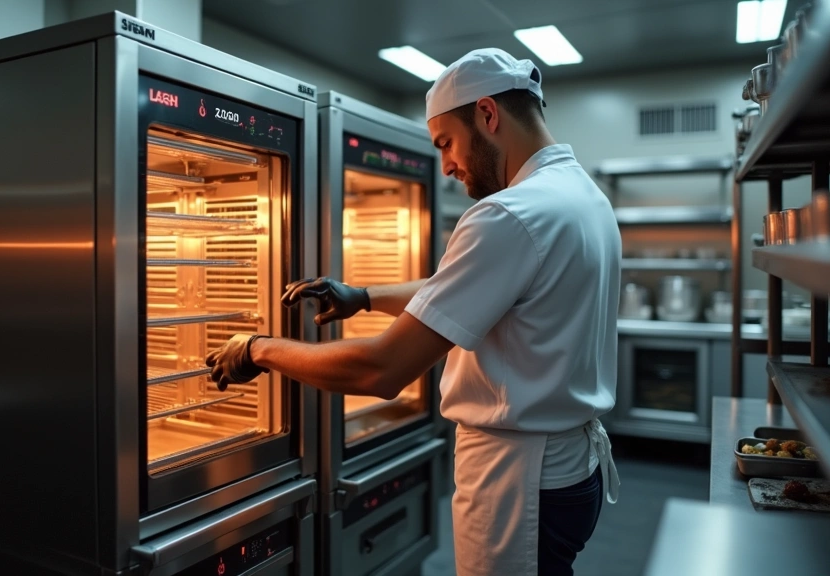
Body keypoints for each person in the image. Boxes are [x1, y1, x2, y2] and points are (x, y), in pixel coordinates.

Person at [206, 48, 621, 576]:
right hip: (568, 469)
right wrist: (363, 296)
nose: (446, 165)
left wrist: (258, 349)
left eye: (447, 142)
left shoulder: (506, 214)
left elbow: (381, 370)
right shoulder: (581, 196)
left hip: (520, 480)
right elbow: (467, 290)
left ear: (488, 115)